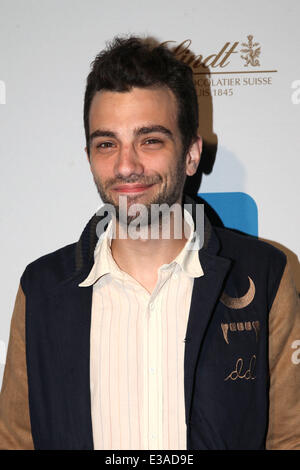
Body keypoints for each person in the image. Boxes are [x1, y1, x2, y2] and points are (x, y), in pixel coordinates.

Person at [0, 36, 299, 451]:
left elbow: (290, 437)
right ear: (88, 155)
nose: (126, 165)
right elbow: (16, 440)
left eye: (150, 140)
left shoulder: (265, 274)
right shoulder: (42, 288)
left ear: (192, 154)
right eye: (107, 143)